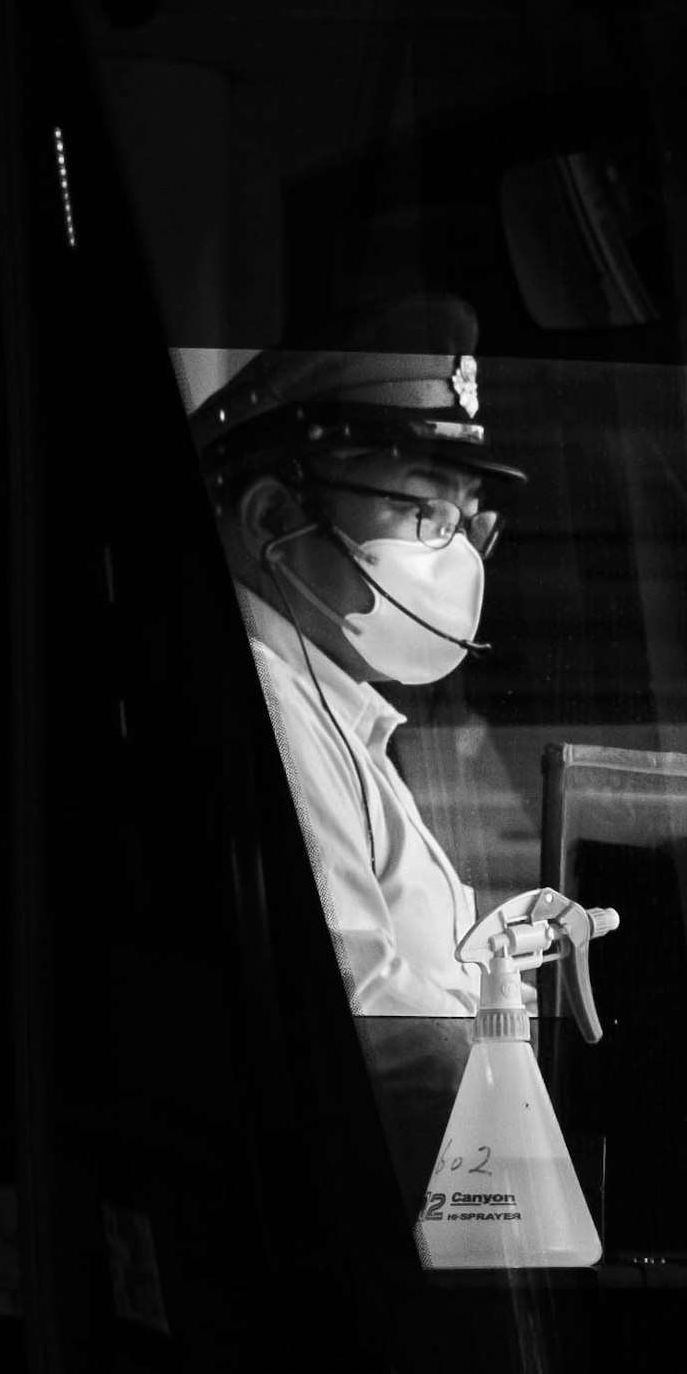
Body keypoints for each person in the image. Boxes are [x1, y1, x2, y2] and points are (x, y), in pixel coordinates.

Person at [194, 308, 612, 1024]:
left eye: (470, 522)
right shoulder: (268, 707)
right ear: (270, 519)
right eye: (427, 515)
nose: (460, 558)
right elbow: (366, 1021)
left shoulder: (331, 711)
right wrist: (524, 1058)